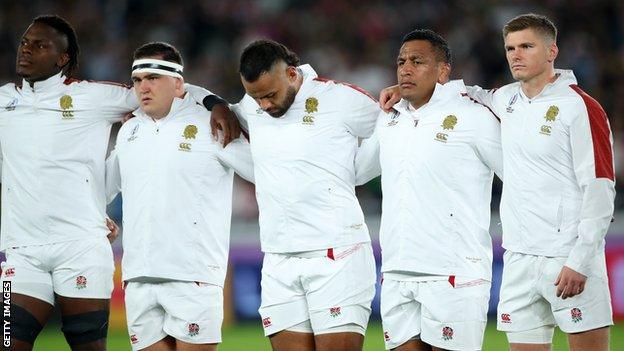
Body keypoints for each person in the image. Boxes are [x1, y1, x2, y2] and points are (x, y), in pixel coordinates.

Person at [0, 15, 239, 351]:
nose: (26, 49)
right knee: (8, 339)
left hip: (80, 246)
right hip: (21, 252)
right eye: (25, 42)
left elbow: (171, 90)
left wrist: (216, 103)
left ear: (62, 57)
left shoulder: (96, 97)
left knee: (88, 345)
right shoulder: (4, 102)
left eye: (40, 44)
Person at [381, 13, 615, 351]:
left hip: (568, 255)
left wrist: (580, 259)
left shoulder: (580, 107)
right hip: (519, 257)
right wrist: (404, 89)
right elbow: (460, 94)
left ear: (552, 51)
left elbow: (600, 187)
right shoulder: (504, 100)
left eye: (526, 46)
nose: (516, 55)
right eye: (510, 48)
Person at [356, 29, 502, 351]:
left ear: (443, 71)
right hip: (397, 270)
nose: (405, 68)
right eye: (401, 61)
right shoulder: (390, 119)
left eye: (417, 61)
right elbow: (355, 171)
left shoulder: (474, 116)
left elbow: (518, 176)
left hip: (454, 271)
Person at [105, 42, 253, 351]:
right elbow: (103, 187)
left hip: (192, 276)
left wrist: (215, 103)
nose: (143, 87)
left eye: (153, 78)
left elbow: (262, 171)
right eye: (137, 80)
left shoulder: (212, 123)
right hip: (138, 278)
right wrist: (97, 217)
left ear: (178, 82)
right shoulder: (130, 131)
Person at [233, 39, 379, 351]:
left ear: (290, 73)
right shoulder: (252, 106)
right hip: (278, 257)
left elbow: (396, 130)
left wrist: (354, 173)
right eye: (255, 98)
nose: (264, 106)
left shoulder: (340, 98)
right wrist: (215, 105)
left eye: (270, 95)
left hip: (337, 254)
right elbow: (232, 118)